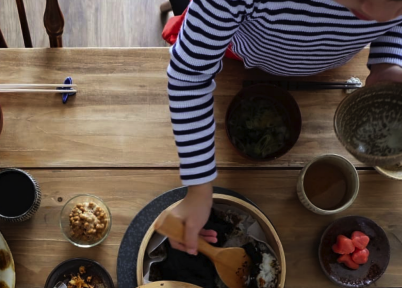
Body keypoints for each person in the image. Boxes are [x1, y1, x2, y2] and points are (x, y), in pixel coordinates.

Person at [167, 0, 402, 254]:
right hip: (240, 57)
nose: (376, 13)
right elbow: (189, 77)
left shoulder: (379, 9)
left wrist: (387, 64)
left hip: (328, 63)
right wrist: (199, 185)